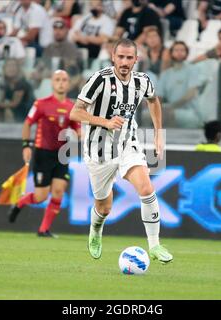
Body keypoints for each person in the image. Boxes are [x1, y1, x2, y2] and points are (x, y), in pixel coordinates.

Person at [69, 39, 173, 264]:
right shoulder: (100, 80)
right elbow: (75, 113)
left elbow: (153, 101)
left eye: (129, 57)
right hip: (98, 151)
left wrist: (157, 132)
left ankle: (154, 245)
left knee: (146, 187)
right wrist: (103, 122)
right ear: (113, 57)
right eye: (121, 57)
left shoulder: (142, 81)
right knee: (104, 207)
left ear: (136, 59)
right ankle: (96, 230)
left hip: (128, 143)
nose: (125, 62)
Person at [8, 70, 81, 238]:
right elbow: (28, 124)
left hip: (62, 154)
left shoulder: (73, 107)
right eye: (58, 79)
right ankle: (19, 204)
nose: (61, 83)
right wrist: (26, 146)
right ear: (52, 83)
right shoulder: (41, 104)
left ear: (68, 84)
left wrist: (81, 136)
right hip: (43, 153)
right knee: (41, 196)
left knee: (59, 191)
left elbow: (77, 130)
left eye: (64, 80)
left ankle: (43, 230)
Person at [157, 41, 203, 129]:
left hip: (190, 112)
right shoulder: (166, 74)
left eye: (182, 50)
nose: (179, 52)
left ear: (186, 53)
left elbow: (190, 95)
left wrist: (171, 107)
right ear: (171, 53)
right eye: (176, 50)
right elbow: (159, 97)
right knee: (147, 116)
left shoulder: (193, 69)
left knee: (168, 114)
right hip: (170, 110)